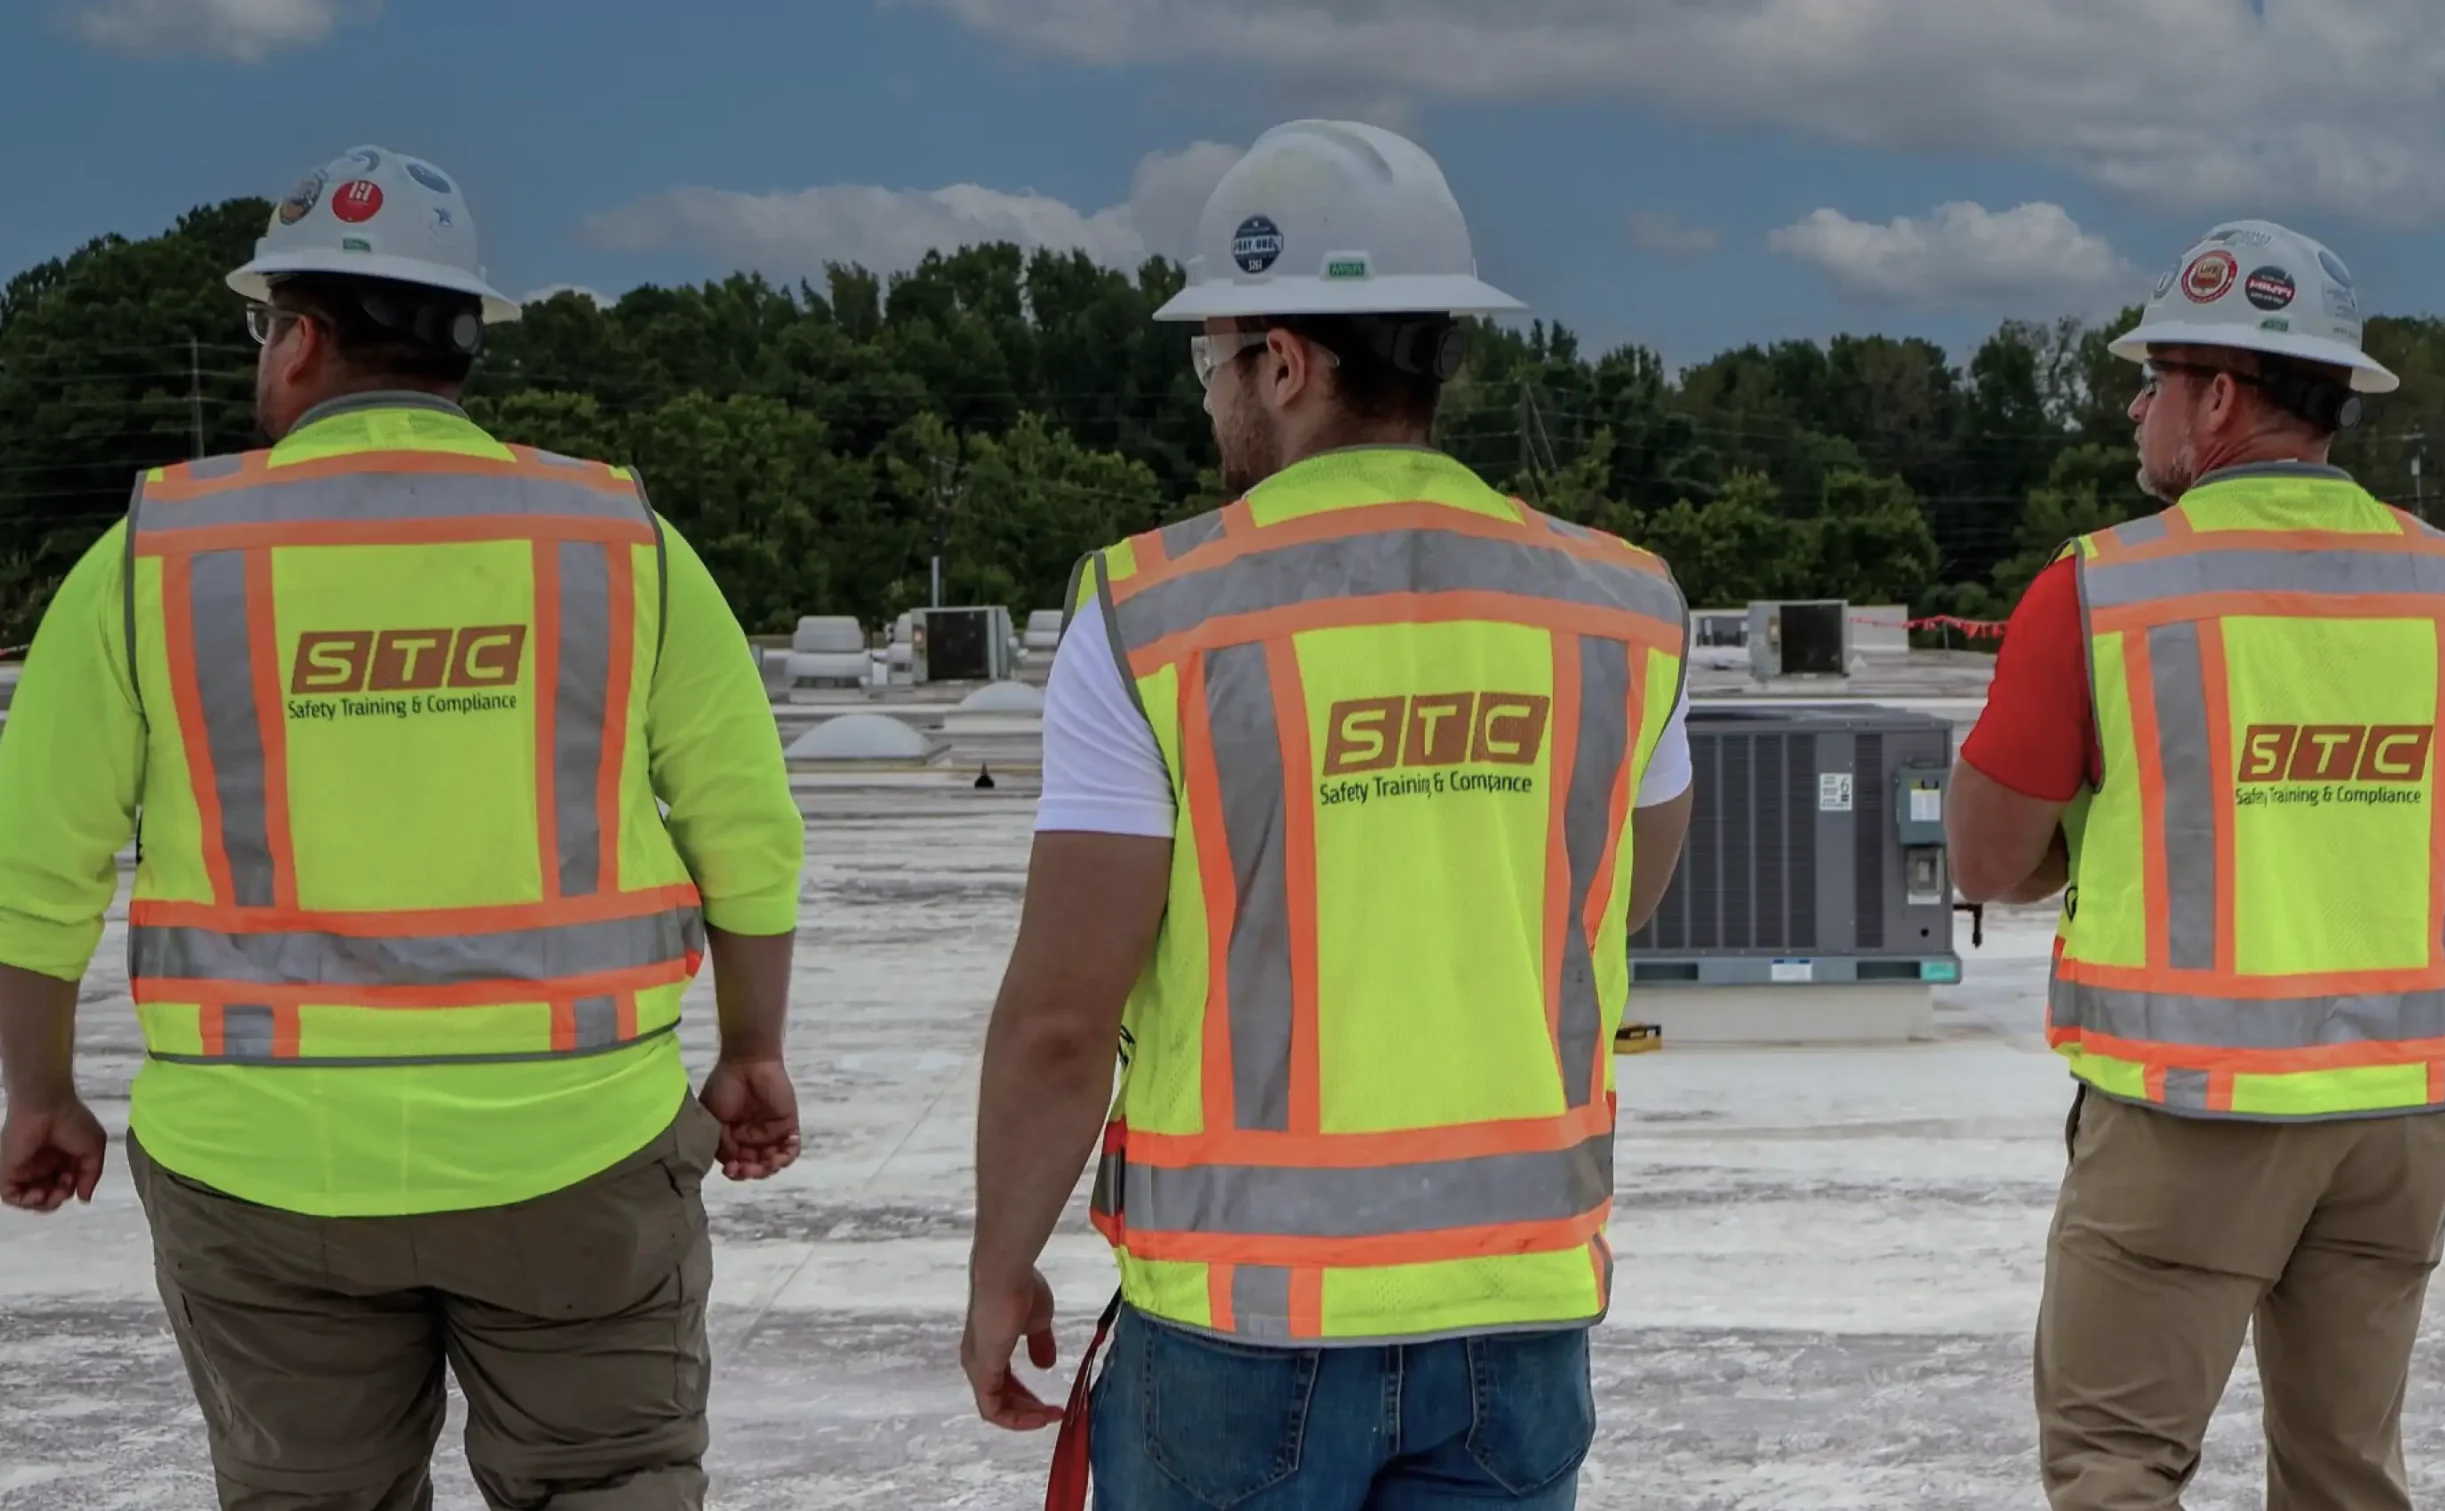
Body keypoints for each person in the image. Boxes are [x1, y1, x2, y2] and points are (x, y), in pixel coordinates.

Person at [0, 145, 807, 1511]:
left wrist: (39, 1092)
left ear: (302, 338)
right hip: (577, 1155)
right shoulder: (620, 543)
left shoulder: (153, 559)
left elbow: (37, 869)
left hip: (262, 1174)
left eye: (266, 331)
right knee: (613, 1483)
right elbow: (748, 831)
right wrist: (751, 1054)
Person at [959, 120, 1697, 1511]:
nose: (1209, 395)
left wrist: (1003, 1258)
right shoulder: (1619, 604)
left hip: (1241, 1330)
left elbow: (1064, 1016)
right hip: (1515, 1307)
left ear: (1283, 362)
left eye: (1212, 359)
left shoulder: (1152, 615)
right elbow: (1630, 884)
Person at [1947, 219, 2445, 1511]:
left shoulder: (2100, 591)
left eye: (2154, 378)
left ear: (2217, 397)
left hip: (2188, 1120)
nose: (2136, 407)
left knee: (2119, 1466)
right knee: (2347, 1473)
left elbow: (1992, 863)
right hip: (2403, 1116)